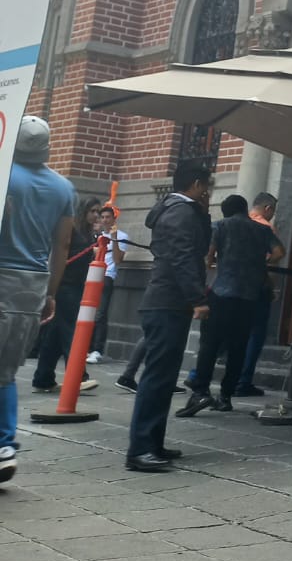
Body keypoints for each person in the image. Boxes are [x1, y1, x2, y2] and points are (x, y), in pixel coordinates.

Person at [0, 117, 74, 485]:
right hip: (32, 287)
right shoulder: (63, 187)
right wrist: (51, 293)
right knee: (6, 372)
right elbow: (62, 246)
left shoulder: (4, 176)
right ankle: (4, 446)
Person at [126, 158, 212, 473]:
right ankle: (140, 450)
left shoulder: (177, 210)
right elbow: (184, 256)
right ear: (198, 185)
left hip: (166, 302)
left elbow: (197, 244)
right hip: (167, 302)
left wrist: (204, 211)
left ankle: (152, 442)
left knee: (163, 378)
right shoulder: (180, 213)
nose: (208, 193)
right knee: (157, 377)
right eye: (207, 187)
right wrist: (197, 298)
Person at [178, 194, 284, 416]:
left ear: (226, 211)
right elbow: (278, 252)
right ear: (245, 209)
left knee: (210, 344)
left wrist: (214, 265)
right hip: (249, 296)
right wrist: (260, 263)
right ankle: (226, 396)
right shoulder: (262, 230)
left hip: (222, 292)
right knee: (239, 348)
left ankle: (201, 392)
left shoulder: (221, 226)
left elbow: (208, 257)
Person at [31, 196, 102, 393]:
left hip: (77, 285)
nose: (96, 215)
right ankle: (79, 376)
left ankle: (43, 378)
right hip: (65, 286)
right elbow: (58, 251)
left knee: (54, 336)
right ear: (83, 211)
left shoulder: (88, 233)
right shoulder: (72, 229)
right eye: (93, 211)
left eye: (98, 211)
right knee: (72, 330)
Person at [233, 191, 280, 397]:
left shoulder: (235, 224)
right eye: (273, 211)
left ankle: (200, 374)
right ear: (268, 208)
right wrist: (271, 286)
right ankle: (243, 381)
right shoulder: (265, 228)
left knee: (230, 331)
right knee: (255, 333)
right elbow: (269, 259)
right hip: (257, 287)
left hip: (232, 285)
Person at [88, 203, 128, 362]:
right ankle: (87, 347)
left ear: (114, 218)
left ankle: (97, 349)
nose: (104, 220)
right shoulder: (95, 236)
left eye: (107, 217)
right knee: (87, 313)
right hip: (90, 274)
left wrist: (114, 238)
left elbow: (118, 259)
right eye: (102, 217)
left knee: (100, 313)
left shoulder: (122, 236)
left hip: (107, 275)